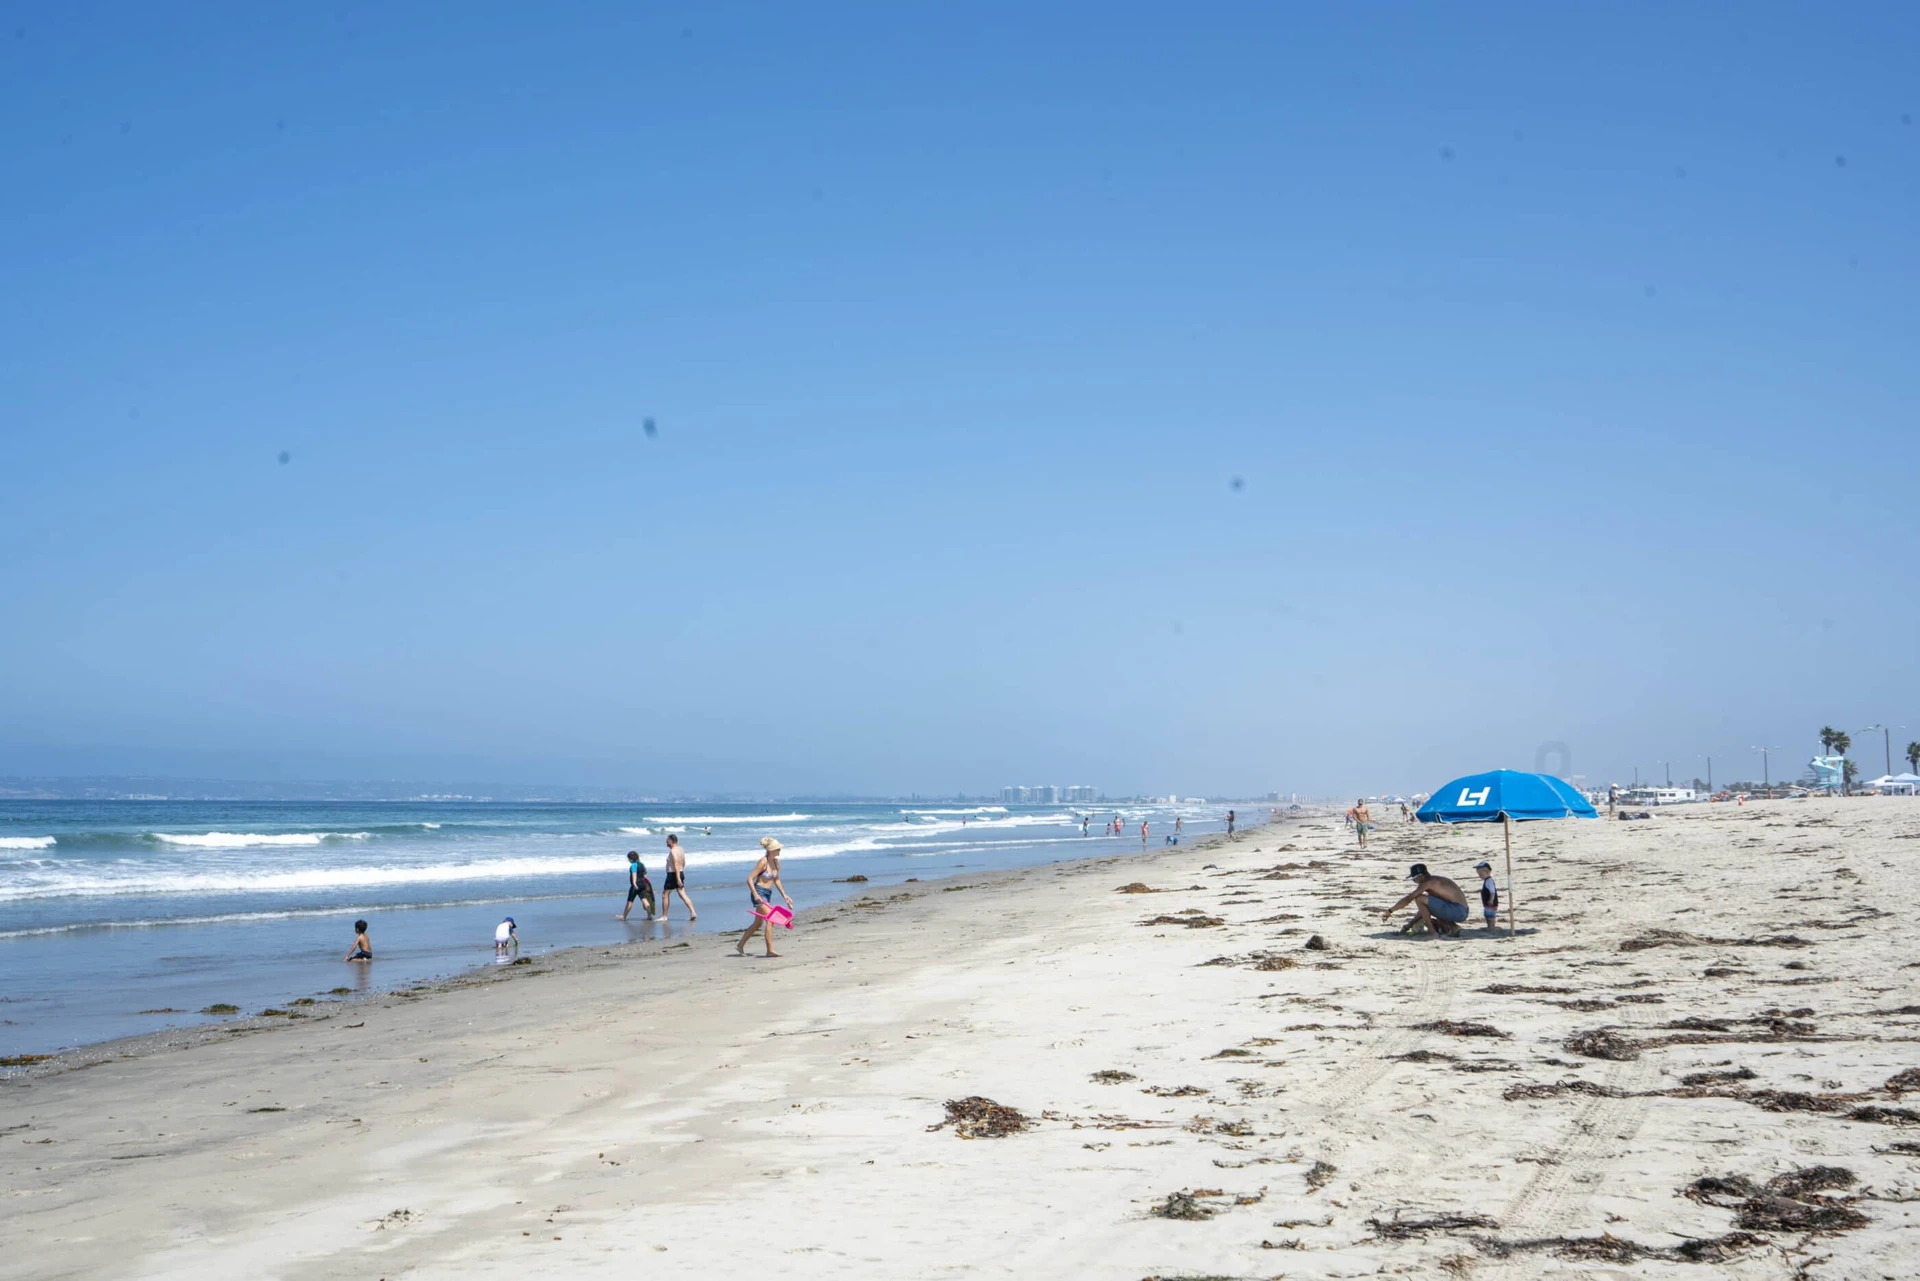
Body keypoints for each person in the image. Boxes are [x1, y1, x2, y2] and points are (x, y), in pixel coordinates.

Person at [737, 837, 794, 958]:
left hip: (768, 893)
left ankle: (740, 945)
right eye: (778, 849)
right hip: (759, 892)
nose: (780, 850)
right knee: (771, 919)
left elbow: (776, 880)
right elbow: (749, 879)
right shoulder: (763, 862)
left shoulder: (776, 863)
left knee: (758, 923)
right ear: (771, 850)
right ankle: (770, 950)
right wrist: (756, 895)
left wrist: (785, 895)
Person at [1382, 863, 1470, 938]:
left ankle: (1433, 933)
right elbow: (1424, 910)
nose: (1415, 882)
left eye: (1414, 879)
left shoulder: (1428, 883)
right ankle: (1454, 927)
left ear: (1420, 876)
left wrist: (1390, 911)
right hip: (1462, 910)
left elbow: (1408, 899)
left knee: (1419, 898)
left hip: (1457, 910)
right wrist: (1408, 926)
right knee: (1428, 904)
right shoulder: (1437, 881)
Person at [659, 834, 697, 921]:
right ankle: (693, 912)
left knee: (665, 894)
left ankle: (664, 916)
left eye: (667, 840)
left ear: (671, 841)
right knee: (682, 894)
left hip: (673, 875)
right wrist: (681, 872)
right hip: (680, 872)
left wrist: (678, 878)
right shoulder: (681, 849)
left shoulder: (673, 851)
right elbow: (683, 862)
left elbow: (676, 863)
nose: (666, 842)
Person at [620, 850, 656, 921]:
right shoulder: (641, 864)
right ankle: (649, 916)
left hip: (636, 885)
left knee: (630, 900)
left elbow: (634, 874)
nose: (628, 860)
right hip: (643, 884)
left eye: (628, 859)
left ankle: (624, 916)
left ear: (631, 859)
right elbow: (645, 872)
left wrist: (634, 883)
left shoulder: (633, 865)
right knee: (644, 899)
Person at [1474, 860, 1500, 930]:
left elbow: (1492, 891)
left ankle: (1492, 926)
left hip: (1490, 902)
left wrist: (1491, 899)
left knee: (1490, 915)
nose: (1480, 876)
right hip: (1487, 902)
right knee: (1487, 914)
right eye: (1479, 874)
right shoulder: (1487, 881)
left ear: (1487, 872)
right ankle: (1490, 926)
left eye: (1481, 874)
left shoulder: (1489, 881)